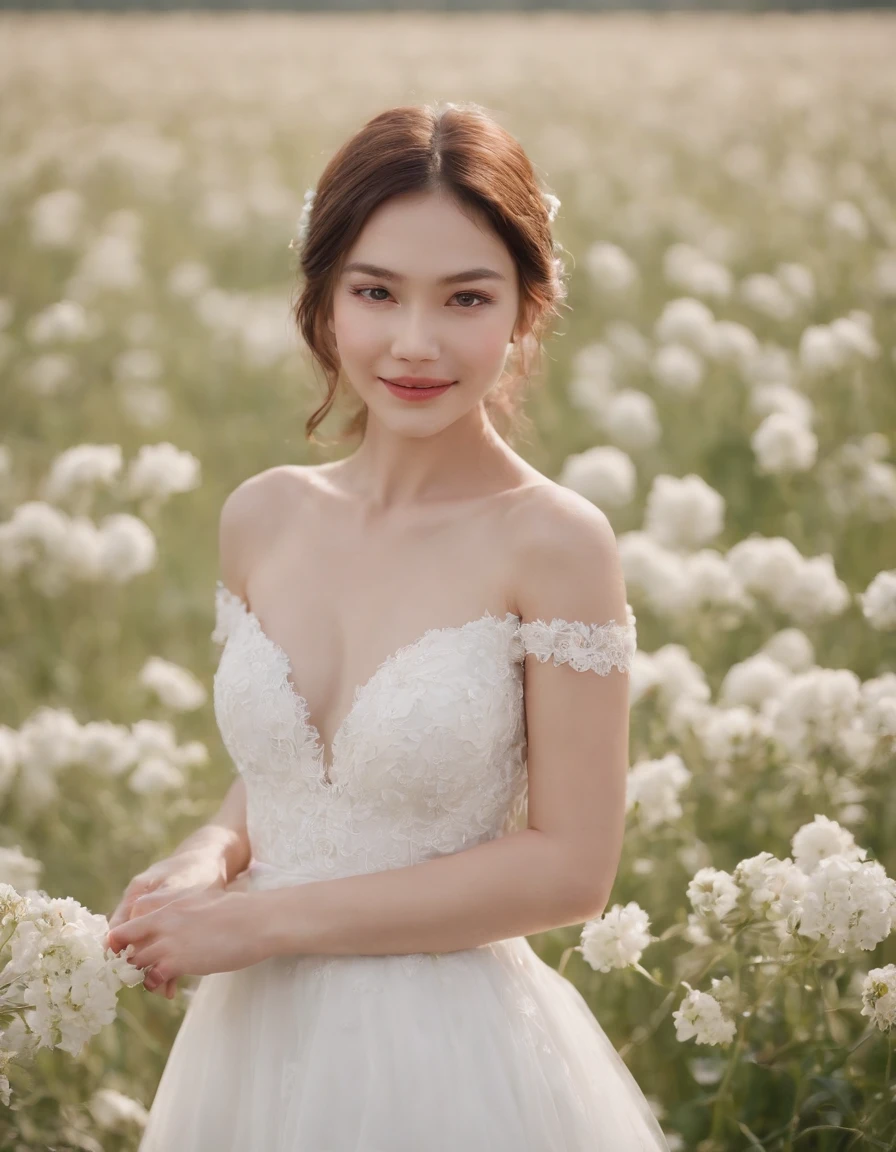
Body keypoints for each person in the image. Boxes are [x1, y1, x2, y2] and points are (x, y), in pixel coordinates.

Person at [106, 100, 671, 1151]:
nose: (415, 343)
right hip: (249, 1044)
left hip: (445, 1060)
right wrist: (210, 850)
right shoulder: (261, 516)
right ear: (323, 301)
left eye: (465, 298)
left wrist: (258, 921)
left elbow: (569, 871)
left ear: (525, 311)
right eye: (375, 292)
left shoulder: (553, 543)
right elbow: (302, 776)